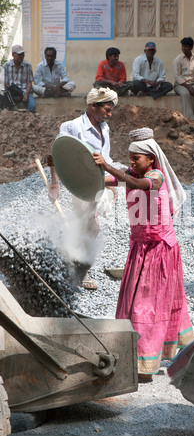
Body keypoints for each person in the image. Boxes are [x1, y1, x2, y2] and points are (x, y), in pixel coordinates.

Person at [92, 127, 194, 381]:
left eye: (136, 158)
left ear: (151, 159)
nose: (131, 162)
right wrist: (70, 170)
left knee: (146, 306)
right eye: (130, 157)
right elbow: (105, 180)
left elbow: (137, 184)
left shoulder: (155, 177)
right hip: (140, 248)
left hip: (159, 250)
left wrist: (106, 164)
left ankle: (145, 364)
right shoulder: (131, 173)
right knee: (134, 303)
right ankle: (139, 357)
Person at [49, 87, 118, 289]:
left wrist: (114, 185)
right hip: (80, 184)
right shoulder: (73, 127)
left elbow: (105, 158)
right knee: (92, 226)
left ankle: (70, 263)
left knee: (85, 227)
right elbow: (56, 155)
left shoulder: (105, 128)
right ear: (92, 106)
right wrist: (54, 185)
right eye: (107, 108)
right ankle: (81, 271)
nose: (110, 113)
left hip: (100, 183)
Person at [2, 44, 36, 113]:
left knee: (32, 106)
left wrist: (26, 94)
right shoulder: (6, 66)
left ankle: (28, 120)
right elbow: (3, 83)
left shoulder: (28, 65)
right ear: (13, 55)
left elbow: (30, 83)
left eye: (22, 54)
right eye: (19, 54)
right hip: (11, 93)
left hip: (24, 91)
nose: (21, 56)